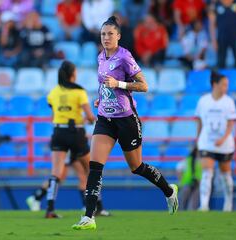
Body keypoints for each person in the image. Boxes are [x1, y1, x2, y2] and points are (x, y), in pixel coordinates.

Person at [72, 16, 178, 230]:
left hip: (127, 120)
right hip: (105, 119)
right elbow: (104, 84)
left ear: (118, 36)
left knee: (136, 166)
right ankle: (89, 217)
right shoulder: (100, 57)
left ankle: (169, 191)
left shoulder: (124, 57)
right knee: (95, 167)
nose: (106, 37)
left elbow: (144, 85)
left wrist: (118, 83)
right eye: (103, 34)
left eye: (110, 34)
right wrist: (101, 97)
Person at [39, 60, 97, 218]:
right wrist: (90, 119)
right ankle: (96, 207)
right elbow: (90, 117)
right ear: (73, 74)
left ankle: (50, 209)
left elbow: (54, 114)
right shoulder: (79, 92)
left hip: (58, 132)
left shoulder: (53, 92)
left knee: (56, 172)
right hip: (76, 133)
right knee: (91, 169)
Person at [195, 71, 236, 212]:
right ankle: (204, 205)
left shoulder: (229, 102)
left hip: (224, 145)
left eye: (227, 85)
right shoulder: (203, 101)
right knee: (207, 172)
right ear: (215, 84)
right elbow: (199, 121)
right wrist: (198, 138)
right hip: (207, 142)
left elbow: (231, 123)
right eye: (224, 84)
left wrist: (223, 138)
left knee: (226, 175)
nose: (226, 87)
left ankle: (228, 203)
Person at [26, 155, 110, 216]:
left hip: (72, 144)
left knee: (79, 176)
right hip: (73, 145)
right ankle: (92, 207)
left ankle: (36, 197)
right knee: (82, 175)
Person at [208, 0, 236, 71]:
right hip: (222, 38)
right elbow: (211, 24)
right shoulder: (216, 6)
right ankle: (220, 80)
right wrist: (213, 40)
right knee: (221, 62)